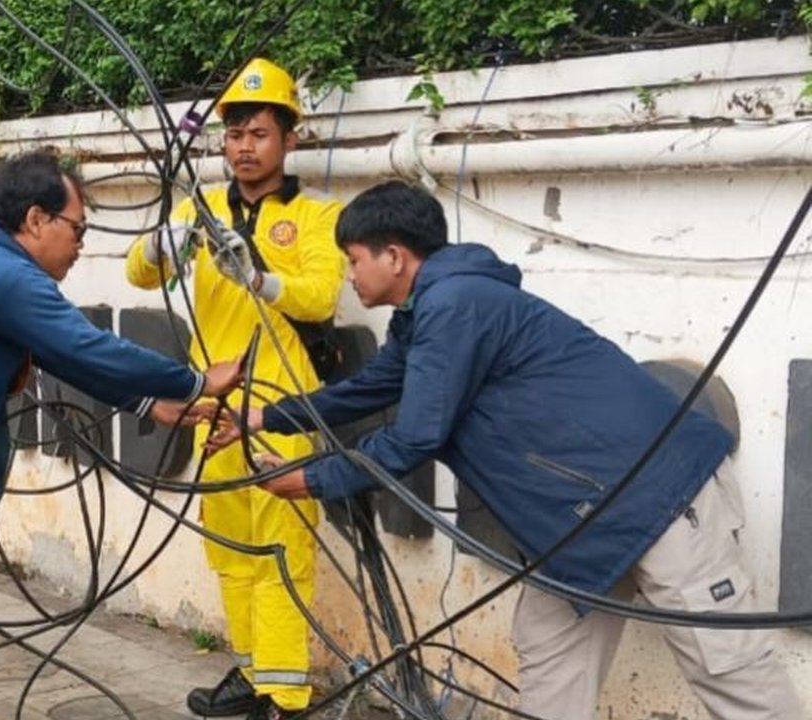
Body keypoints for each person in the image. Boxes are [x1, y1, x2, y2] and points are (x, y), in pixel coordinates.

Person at [210, 180, 804, 720]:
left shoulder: (456, 304)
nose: (349, 276)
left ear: (394, 256)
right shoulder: (424, 317)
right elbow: (368, 390)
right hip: (578, 522)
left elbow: (416, 435)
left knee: (729, 669)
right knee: (550, 650)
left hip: (659, 497)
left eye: (354, 260)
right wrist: (260, 416)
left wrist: (312, 480)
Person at [0, 149, 243, 720]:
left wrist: (148, 403)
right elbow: (85, 345)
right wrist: (193, 381)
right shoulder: (3, 274)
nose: (81, 244)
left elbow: (60, 355)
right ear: (36, 220)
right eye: (77, 228)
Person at [124, 58, 344, 720]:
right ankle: (253, 678)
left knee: (281, 550)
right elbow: (139, 273)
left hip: (282, 410)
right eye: (235, 134)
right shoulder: (203, 209)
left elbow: (321, 294)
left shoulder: (316, 217)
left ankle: (286, 696)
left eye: (259, 134)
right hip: (212, 408)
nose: (244, 148)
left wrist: (260, 275)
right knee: (230, 549)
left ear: (290, 140)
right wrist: (171, 238)